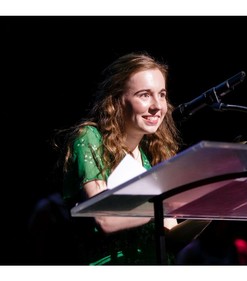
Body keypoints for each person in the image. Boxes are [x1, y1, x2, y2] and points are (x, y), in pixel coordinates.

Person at [53, 51, 188, 265]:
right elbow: (104, 219)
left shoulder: (153, 151)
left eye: (161, 94)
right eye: (144, 95)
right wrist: (161, 206)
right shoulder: (90, 138)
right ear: (116, 99)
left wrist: (208, 207)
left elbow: (171, 231)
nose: (157, 106)